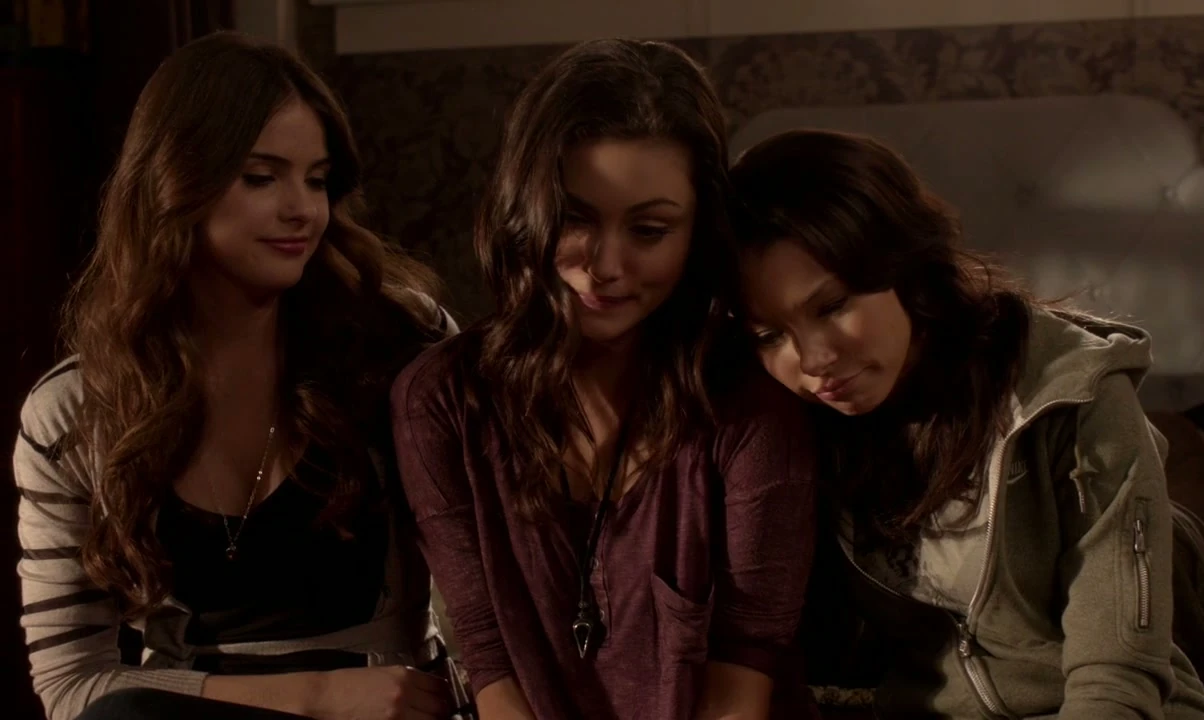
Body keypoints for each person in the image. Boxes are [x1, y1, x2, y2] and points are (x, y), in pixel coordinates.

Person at [725, 128, 1204, 718]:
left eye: (833, 305)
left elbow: (1117, 676)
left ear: (906, 269)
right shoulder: (796, 428)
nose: (812, 361)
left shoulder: (1072, 391)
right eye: (770, 335)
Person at [14, 31, 459, 720]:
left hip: (393, 704)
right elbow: (71, 686)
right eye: (261, 177)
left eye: (317, 179)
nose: (303, 209)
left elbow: (491, 590)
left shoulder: (401, 343)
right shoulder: (73, 413)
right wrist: (314, 696)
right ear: (175, 183)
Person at [390, 39, 819, 720]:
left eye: (649, 230)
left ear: (696, 232)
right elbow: (490, 658)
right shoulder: (441, 401)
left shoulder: (750, 414)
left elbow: (743, 679)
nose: (606, 265)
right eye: (574, 219)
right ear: (525, 210)